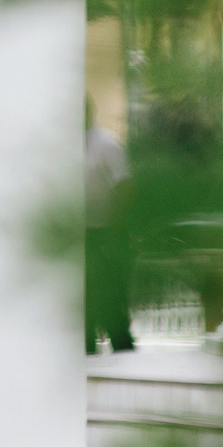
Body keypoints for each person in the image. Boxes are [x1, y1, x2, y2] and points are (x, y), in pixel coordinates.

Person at [85, 122, 135, 354]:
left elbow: (124, 185)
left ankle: (123, 351)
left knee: (111, 299)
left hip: (105, 232)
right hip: (82, 234)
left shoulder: (106, 144)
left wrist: (115, 228)